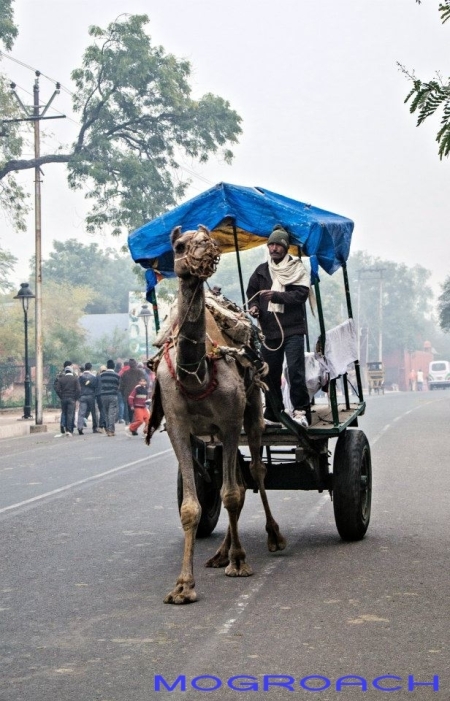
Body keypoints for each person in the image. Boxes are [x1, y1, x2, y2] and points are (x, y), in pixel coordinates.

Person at [247, 224, 311, 428]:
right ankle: (274, 412)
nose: (274, 248)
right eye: (271, 244)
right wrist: (255, 307)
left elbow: (301, 294)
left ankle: (301, 411)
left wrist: (277, 296)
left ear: (285, 247)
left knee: (295, 371)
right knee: (269, 373)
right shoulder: (261, 271)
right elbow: (252, 294)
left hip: (293, 330)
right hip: (269, 331)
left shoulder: (296, 268)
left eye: (278, 245)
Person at [54, 365, 81, 436]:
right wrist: (75, 397)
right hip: (72, 398)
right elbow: (78, 390)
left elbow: (57, 389)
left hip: (63, 398)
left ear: (65, 371)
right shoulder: (75, 379)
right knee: (70, 414)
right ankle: (69, 430)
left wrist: (61, 396)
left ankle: (65, 428)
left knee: (64, 413)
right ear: (71, 371)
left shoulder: (61, 379)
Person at [119, 359, 146, 424]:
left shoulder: (125, 373)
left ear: (129, 365)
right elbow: (144, 382)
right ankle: (135, 422)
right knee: (137, 409)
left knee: (129, 409)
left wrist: (123, 393)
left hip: (128, 394)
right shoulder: (140, 372)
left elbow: (121, 385)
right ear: (136, 364)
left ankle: (131, 421)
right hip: (139, 394)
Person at [98, 359, 120, 436]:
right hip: (113, 395)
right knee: (112, 413)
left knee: (106, 412)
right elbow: (118, 386)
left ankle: (107, 429)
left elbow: (99, 385)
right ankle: (111, 430)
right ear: (113, 367)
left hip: (103, 395)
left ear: (107, 366)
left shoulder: (102, 375)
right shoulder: (117, 375)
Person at [77, 362, 99, 434]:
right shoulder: (94, 377)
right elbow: (96, 387)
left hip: (83, 396)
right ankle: (95, 428)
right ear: (91, 368)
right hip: (91, 396)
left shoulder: (80, 377)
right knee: (94, 413)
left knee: (81, 413)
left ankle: (80, 427)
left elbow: (78, 387)